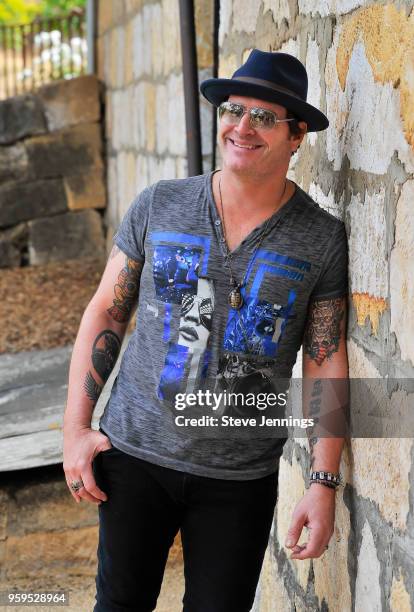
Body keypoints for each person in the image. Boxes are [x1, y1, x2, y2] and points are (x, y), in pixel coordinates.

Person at [63, 49, 348, 612]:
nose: (241, 127)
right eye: (233, 110)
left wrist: (322, 482)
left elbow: (325, 357)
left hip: (239, 478)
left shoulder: (321, 238)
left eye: (264, 117)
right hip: (134, 457)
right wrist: (75, 429)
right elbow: (106, 313)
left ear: (297, 138)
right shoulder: (159, 205)